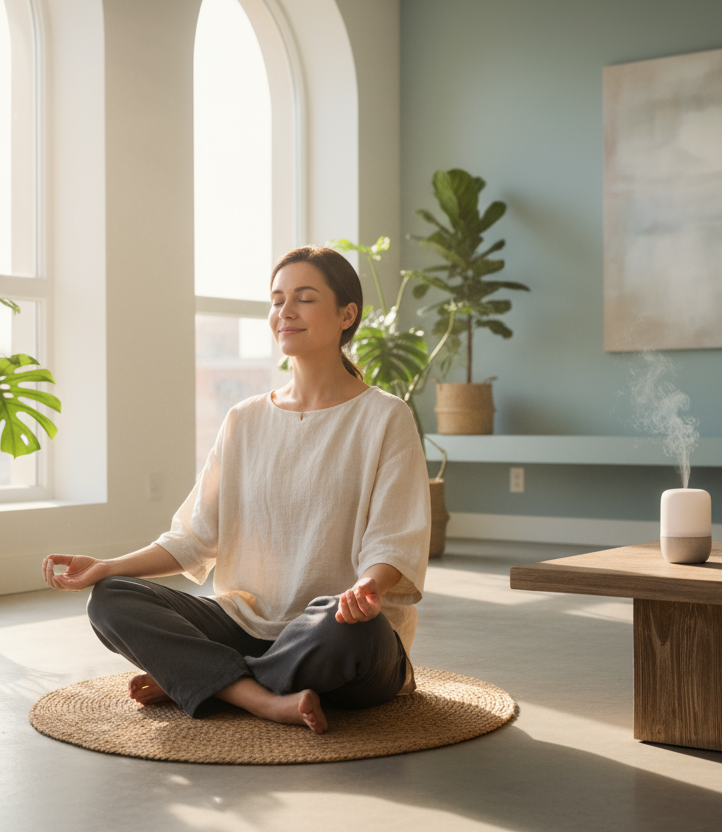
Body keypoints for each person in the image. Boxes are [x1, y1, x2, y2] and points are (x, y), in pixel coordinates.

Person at [41, 246, 432, 734]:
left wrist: (364, 591)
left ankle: (205, 679)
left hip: (333, 635)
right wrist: (107, 566)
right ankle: (262, 698)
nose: (285, 312)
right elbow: (194, 537)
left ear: (346, 314)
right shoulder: (244, 420)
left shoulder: (385, 417)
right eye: (276, 300)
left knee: (359, 636)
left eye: (304, 299)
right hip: (245, 628)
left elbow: (393, 540)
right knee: (110, 599)